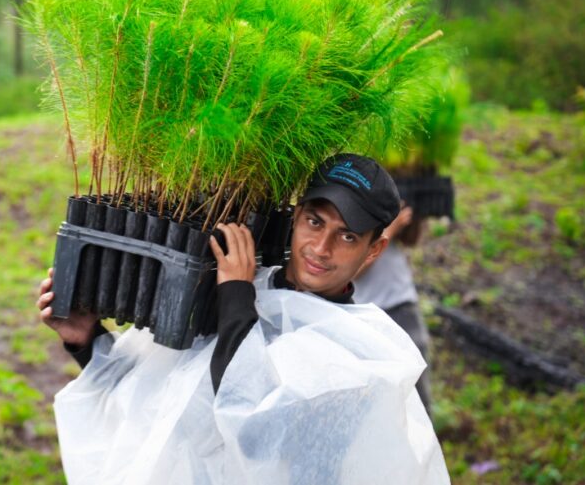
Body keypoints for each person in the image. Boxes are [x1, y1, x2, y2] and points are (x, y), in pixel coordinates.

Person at [37, 154, 450, 484]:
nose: (321, 247)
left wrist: (235, 295)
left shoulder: (355, 355)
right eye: (315, 221)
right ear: (296, 216)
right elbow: (152, 400)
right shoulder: (249, 285)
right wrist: (86, 339)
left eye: (347, 236)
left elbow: (257, 430)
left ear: (374, 250)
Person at [353, 202, 434, 415]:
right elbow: (353, 270)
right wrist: (391, 229)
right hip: (371, 313)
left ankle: (425, 434)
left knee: (417, 389)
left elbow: (410, 241)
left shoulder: (383, 202)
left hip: (403, 304)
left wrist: (415, 218)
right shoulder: (351, 216)